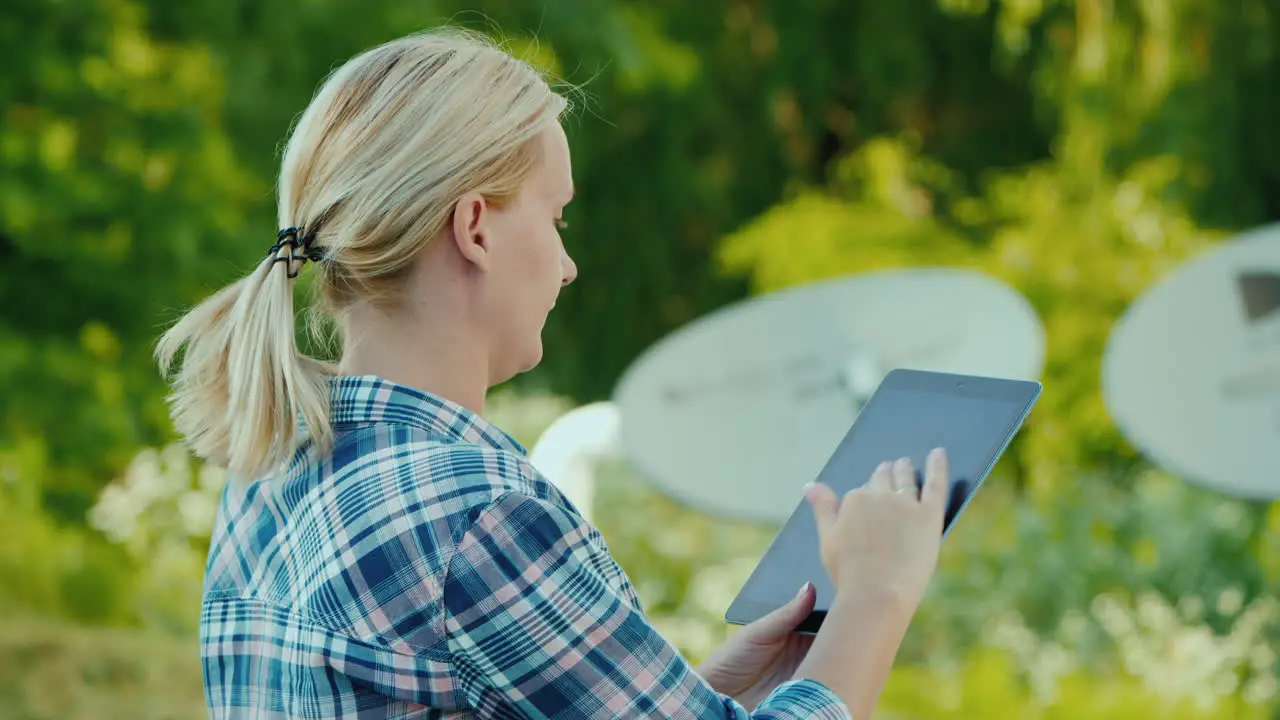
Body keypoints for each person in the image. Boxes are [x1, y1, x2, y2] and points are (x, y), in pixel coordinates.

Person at [157, 28, 951, 720]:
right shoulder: (477, 513)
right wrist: (876, 596)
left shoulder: (273, 467)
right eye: (556, 215)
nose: (568, 266)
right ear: (475, 228)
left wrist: (701, 691)